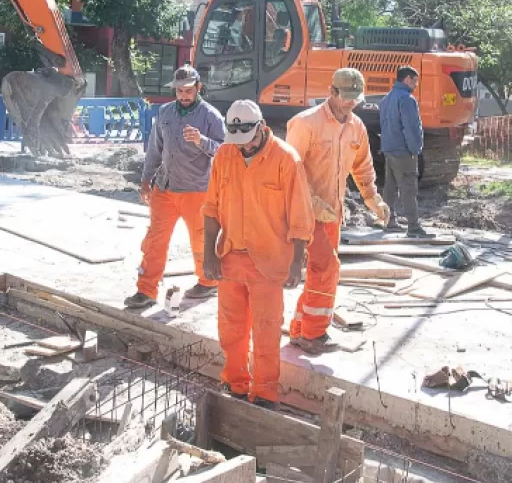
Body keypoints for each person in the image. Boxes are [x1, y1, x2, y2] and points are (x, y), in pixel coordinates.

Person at [202, 100, 314, 408]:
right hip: (230, 256)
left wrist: (296, 262)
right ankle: (235, 383)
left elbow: (301, 216)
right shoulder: (225, 154)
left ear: (261, 128)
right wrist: (209, 253)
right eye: (236, 141)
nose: (243, 147)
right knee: (230, 328)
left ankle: (265, 393)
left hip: (269, 259)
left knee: (265, 332)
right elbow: (211, 208)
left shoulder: (285, 159)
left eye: (248, 140)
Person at [286, 68, 391, 354]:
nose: (351, 103)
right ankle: (314, 333)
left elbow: (362, 166)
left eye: (355, 99)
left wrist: (373, 200)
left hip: (332, 213)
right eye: (346, 97)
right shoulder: (305, 124)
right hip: (304, 212)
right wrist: (311, 202)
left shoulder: (356, 127)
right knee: (326, 268)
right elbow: (288, 171)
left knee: (321, 270)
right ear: (331, 92)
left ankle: (300, 328)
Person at [124, 64, 226, 309]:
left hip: (197, 190)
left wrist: (202, 141)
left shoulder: (211, 116)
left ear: (198, 88)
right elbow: (154, 150)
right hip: (165, 189)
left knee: (201, 240)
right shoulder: (165, 113)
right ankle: (146, 290)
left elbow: (226, 151)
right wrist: (146, 181)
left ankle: (208, 282)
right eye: (179, 90)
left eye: (188, 90)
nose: (183, 94)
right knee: (154, 241)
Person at [379, 66, 434, 238]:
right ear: (407, 79)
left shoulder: (386, 98)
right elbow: (411, 128)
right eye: (415, 80)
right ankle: (414, 227)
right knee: (409, 188)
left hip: (388, 148)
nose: (416, 84)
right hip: (403, 151)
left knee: (390, 186)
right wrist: (415, 149)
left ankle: (389, 221)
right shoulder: (407, 99)